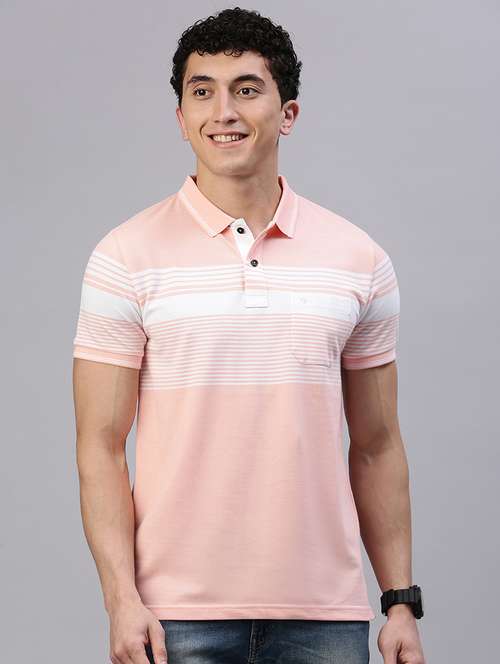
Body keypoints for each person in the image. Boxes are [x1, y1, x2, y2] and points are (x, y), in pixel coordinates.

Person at [72, 6, 426, 664]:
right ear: (181, 118)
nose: (223, 112)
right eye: (202, 91)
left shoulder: (358, 259)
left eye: (246, 89)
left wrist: (400, 601)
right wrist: (121, 599)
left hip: (325, 618)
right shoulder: (124, 257)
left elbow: (378, 446)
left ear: (288, 113)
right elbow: (99, 447)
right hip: (173, 619)